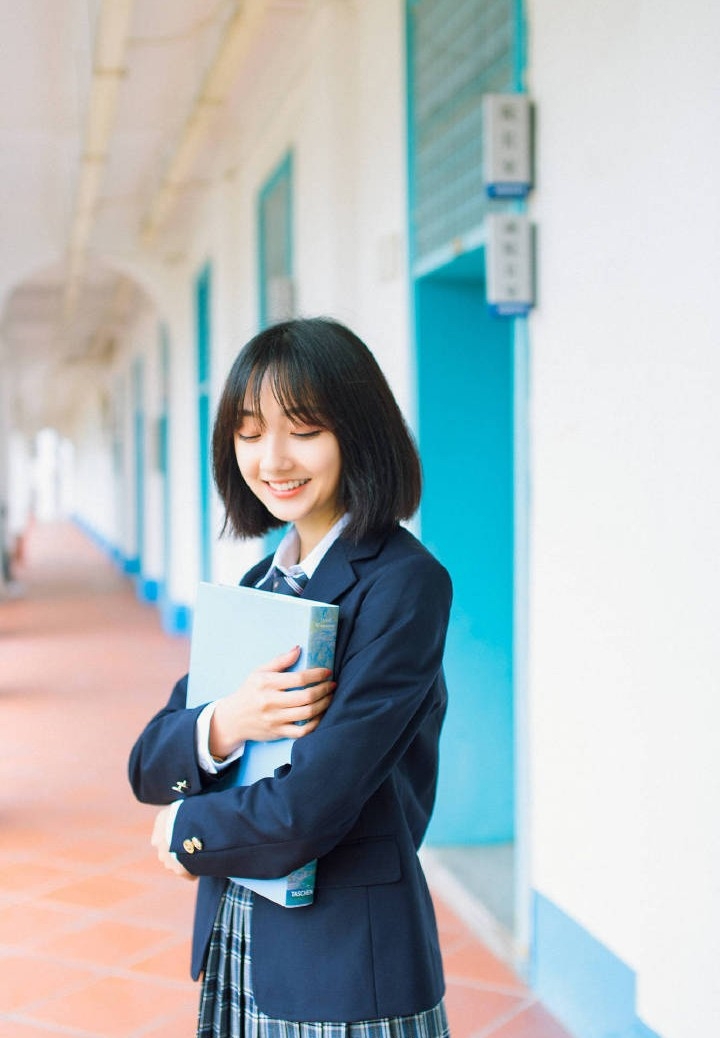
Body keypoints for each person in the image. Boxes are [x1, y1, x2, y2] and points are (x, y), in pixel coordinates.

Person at [128, 316, 453, 1037]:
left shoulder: (403, 585)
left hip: (343, 960)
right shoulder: (258, 585)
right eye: (249, 431)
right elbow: (149, 762)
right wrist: (226, 722)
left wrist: (187, 829)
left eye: (303, 428)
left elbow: (316, 802)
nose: (272, 457)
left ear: (358, 434)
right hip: (241, 931)